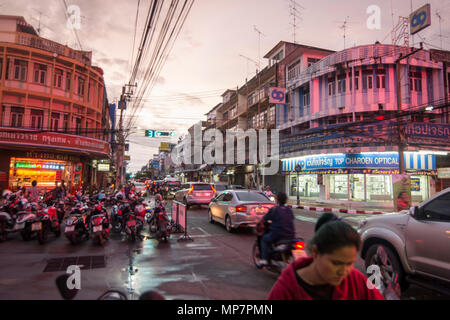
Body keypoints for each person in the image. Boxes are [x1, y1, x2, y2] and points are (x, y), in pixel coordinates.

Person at [267, 219, 385, 300]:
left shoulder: (355, 280)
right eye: (336, 263)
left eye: (350, 263)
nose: (343, 271)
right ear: (316, 253)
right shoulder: (286, 290)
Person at [258, 192, 295, 266]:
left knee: (264, 239)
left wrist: (259, 223)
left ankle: (264, 259)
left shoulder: (274, 209)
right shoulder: (289, 210)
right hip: (291, 235)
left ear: (277, 200)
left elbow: (263, 219)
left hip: (277, 235)